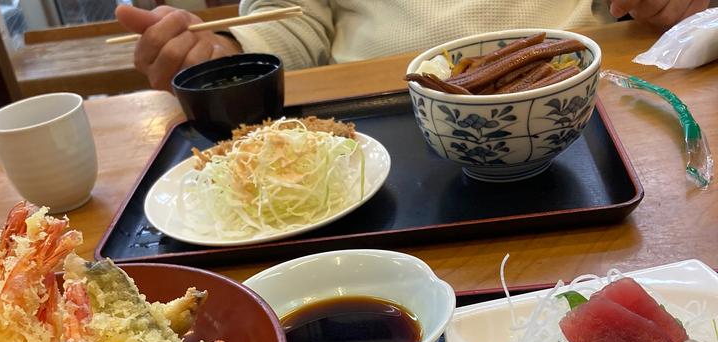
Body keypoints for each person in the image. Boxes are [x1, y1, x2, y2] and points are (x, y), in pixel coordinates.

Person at [115, 0, 710, 91]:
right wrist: (227, 57)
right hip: (381, 117)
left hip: (594, 92)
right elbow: (290, 23)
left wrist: (687, 12)